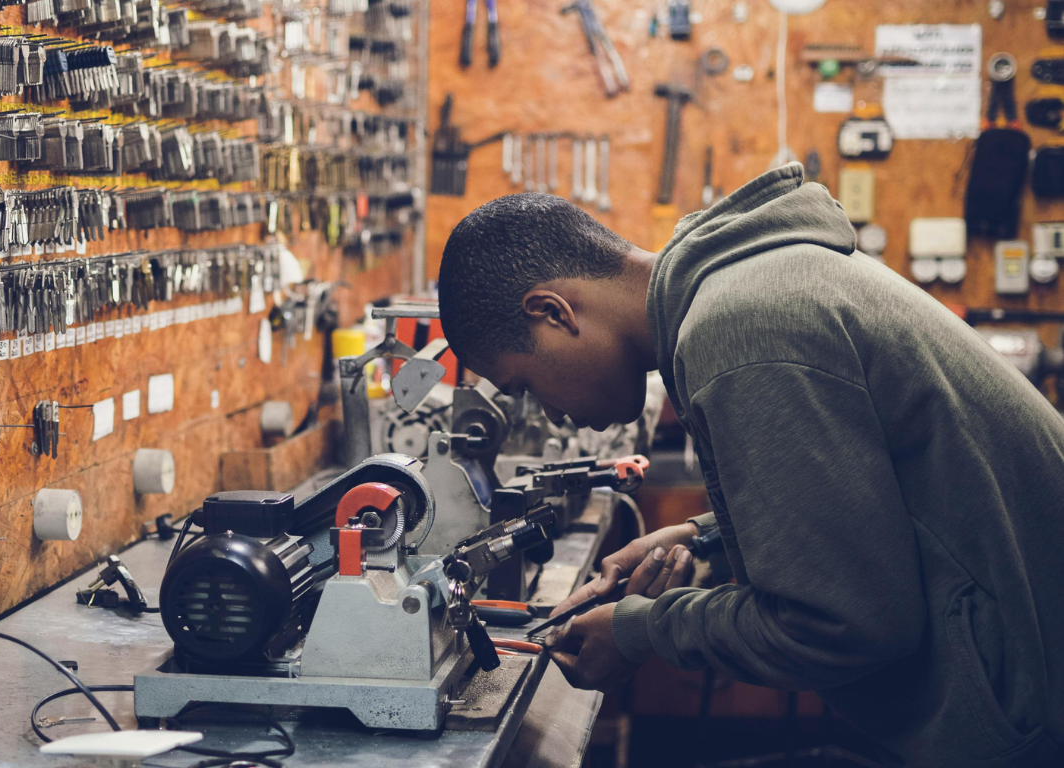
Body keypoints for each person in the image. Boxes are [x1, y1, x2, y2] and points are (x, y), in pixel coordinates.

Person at [436, 164, 1064, 767]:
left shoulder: (741, 332)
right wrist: (703, 536)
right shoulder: (748, 288)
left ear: (553, 311)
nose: (551, 416)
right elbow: (865, 491)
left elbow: (844, 625)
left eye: (525, 385)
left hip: (1031, 711)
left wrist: (645, 632)